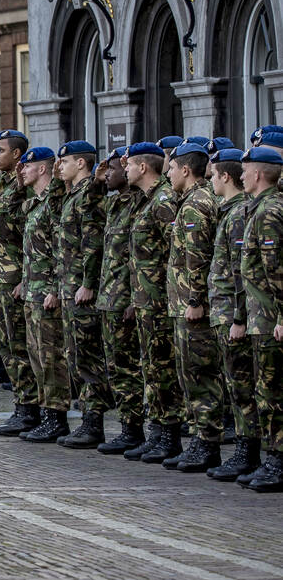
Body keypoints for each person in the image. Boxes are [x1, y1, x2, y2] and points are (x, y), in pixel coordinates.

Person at [159, 141, 223, 471]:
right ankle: (200, 439)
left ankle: (206, 442)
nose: (167, 173)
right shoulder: (193, 201)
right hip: (185, 302)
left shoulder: (196, 205)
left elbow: (198, 258)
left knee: (199, 374)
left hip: (193, 305)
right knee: (191, 374)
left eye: (171, 168)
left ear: (185, 170)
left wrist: (196, 299)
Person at [0, 130, 41, 436]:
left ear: (17, 154)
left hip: (14, 275)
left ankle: (30, 408)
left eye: (0, 150)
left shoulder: (24, 185)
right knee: (6, 345)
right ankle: (21, 404)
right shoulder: (3, 181)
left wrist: (26, 278)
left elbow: (32, 236)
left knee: (19, 345)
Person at [123, 141, 183, 464]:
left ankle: (170, 436)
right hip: (146, 301)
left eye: (130, 164)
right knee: (152, 368)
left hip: (160, 302)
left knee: (163, 369)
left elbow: (176, 253)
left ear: (143, 167)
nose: (125, 169)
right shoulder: (144, 200)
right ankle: (158, 432)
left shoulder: (163, 201)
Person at [53, 140, 114, 449]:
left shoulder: (89, 196)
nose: (58, 167)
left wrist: (88, 283)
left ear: (81, 163)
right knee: (76, 355)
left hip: (81, 289)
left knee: (88, 357)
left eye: (64, 161)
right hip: (70, 286)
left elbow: (92, 243)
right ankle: (88, 418)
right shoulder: (72, 195)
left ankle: (94, 422)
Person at [206, 148, 262, 481]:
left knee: (243, 387)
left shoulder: (239, 213)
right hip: (225, 312)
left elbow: (243, 273)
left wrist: (239, 318)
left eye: (213, 175)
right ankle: (246, 450)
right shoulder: (229, 211)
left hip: (234, 314)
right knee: (235, 385)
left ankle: (248, 452)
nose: (210, 181)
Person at [92, 147, 148, 455]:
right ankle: (128, 427)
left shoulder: (138, 203)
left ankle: (134, 429)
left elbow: (138, 259)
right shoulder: (115, 203)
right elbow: (85, 207)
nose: (110, 173)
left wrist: (132, 299)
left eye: (115, 169)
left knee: (129, 369)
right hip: (109, 296)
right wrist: (96, 181)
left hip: (125, 298)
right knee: (116, 367)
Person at [15, 147, 71, 443]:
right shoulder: (35, 203)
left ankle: (56, 416)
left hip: (47, 292)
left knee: (51, 357)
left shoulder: (54, 202)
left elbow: (60, 250)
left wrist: (54, 289)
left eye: (27, 166)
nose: (22, 170)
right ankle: (46, 413)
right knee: (36, 355)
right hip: (32, 290)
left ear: (43, 169)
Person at [236, 145, 283, 491]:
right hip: (261, 316)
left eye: (245, 170)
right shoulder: (260, 208)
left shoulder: (269, 211)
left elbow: (276, 270)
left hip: (270, 317)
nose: (241, 176)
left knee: (272, 393)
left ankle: (278, 461)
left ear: (258, 173)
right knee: (266, 391)